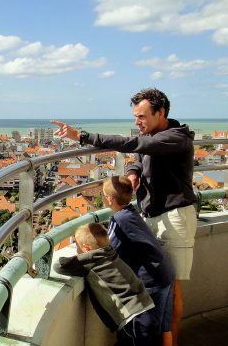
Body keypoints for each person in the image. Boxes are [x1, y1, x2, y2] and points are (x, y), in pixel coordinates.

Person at [51, 88, 196, 345]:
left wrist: (82, 136)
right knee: (161, 283)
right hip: (153, 214)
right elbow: (138, 156)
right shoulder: (150, 135)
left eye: (141, 116)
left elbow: (135, 145)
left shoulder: (175, 138)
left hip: (174, 219)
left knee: (173, 289)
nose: (136, 122)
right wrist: (132, 173)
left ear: (160, 112)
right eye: (135, 116)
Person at [54, 223, 156, 345]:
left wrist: (79, 256)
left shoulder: (92, 259)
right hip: (146, 310)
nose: (77, 251)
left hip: (133, 320)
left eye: (77, 246)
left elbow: (59, 266)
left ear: (87, 249)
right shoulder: (110, 252)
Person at [103, 176, 175, 345]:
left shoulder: (120, 220)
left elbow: (109, 252)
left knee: (143, 333)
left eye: (104, 194)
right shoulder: (131, 213)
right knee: (163, 328)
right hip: (164, 274)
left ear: (110, 199)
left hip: (151, 280)